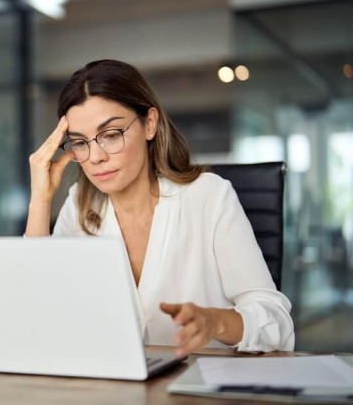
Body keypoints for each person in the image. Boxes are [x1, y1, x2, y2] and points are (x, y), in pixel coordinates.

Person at [25, 59, 294, 358]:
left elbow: (276, 320)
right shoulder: (79, 205)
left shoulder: (209, 196)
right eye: (79, 142)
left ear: (149, 124)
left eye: (111, 134)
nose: (96, 157)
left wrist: (216, 321)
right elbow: (38, 316)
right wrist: (40, 200)